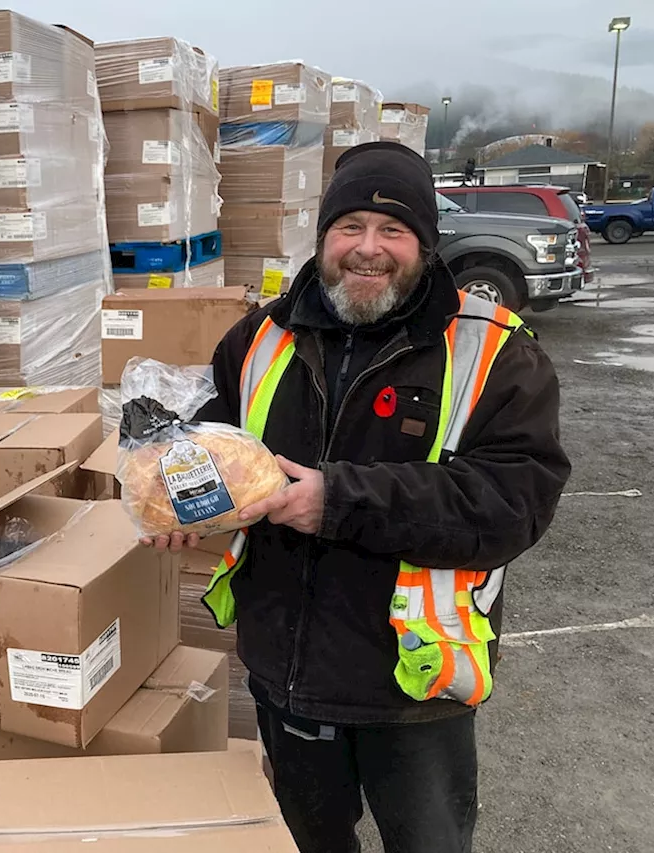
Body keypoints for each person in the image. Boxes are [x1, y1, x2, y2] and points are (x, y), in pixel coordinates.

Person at [144, 142, 571, 853]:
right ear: (323, 237)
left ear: (426, 247)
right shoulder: (257, 338)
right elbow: (211, 447)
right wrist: (178, 500)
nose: (367, 249)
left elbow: (513, 499)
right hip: (285, 672)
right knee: (310, 842)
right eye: (350, 227)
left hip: (411, 687)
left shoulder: (496, 353)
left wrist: (337, 499)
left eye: (392, 230)